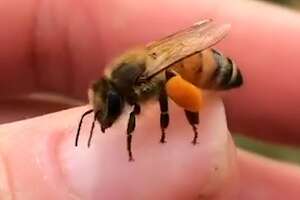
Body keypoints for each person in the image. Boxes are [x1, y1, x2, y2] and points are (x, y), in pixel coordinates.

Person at [0, 0, 300, 199]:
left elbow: (169, 90)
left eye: (107, 110)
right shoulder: (124, 76)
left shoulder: (138, 81)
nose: (107, 118)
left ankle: (196, 126)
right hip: (185, 55)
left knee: (169, 83)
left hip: (200, 63)